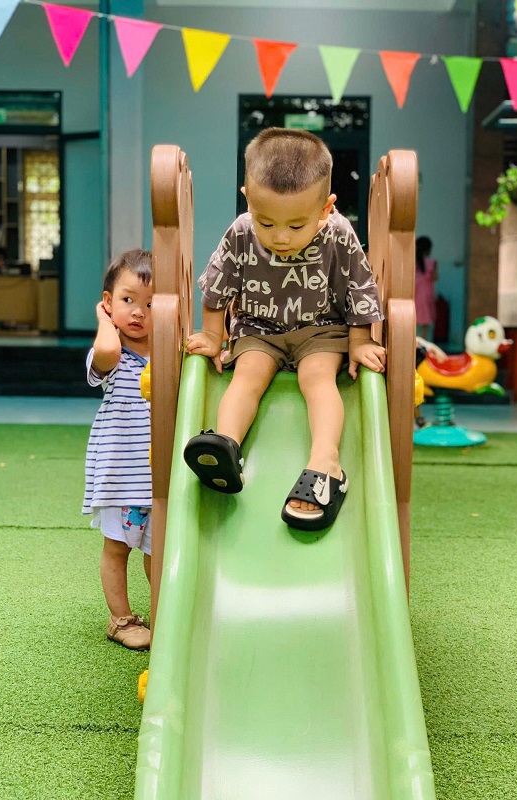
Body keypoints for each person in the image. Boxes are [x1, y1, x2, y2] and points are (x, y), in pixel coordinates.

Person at [183, 127, 386, 532]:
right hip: (259, 329)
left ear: (326, 208)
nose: (279, 237)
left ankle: (326, 462)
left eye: (295, 226)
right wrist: (211, 336)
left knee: (317, 378)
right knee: (247, 375)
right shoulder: (242, 232)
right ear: (248, 198)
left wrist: (360, 341)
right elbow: (217, 286)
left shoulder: (339, 234)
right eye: (266, 222)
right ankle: (225, 446)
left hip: (321, 329)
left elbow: (359, 287)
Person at [82, 249, 153, 650]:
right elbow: (107, 353)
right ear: (109, 302)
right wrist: (104, 320)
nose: (139, 312)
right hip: (120, 476)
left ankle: (163, 614)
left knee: (157, 552)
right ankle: (121, 619)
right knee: (117, 549)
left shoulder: (169, 355)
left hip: (158, 476)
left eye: (151, 304)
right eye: (128, 300)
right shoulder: (112, 354)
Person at [415, 235, 438, 340]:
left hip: (415, 295)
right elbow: (435, 277)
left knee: (414, 320)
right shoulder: (432, 262)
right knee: (426, 323)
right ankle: (423, 343)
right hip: (427, 295)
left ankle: (413, 343)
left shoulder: (413, 262)